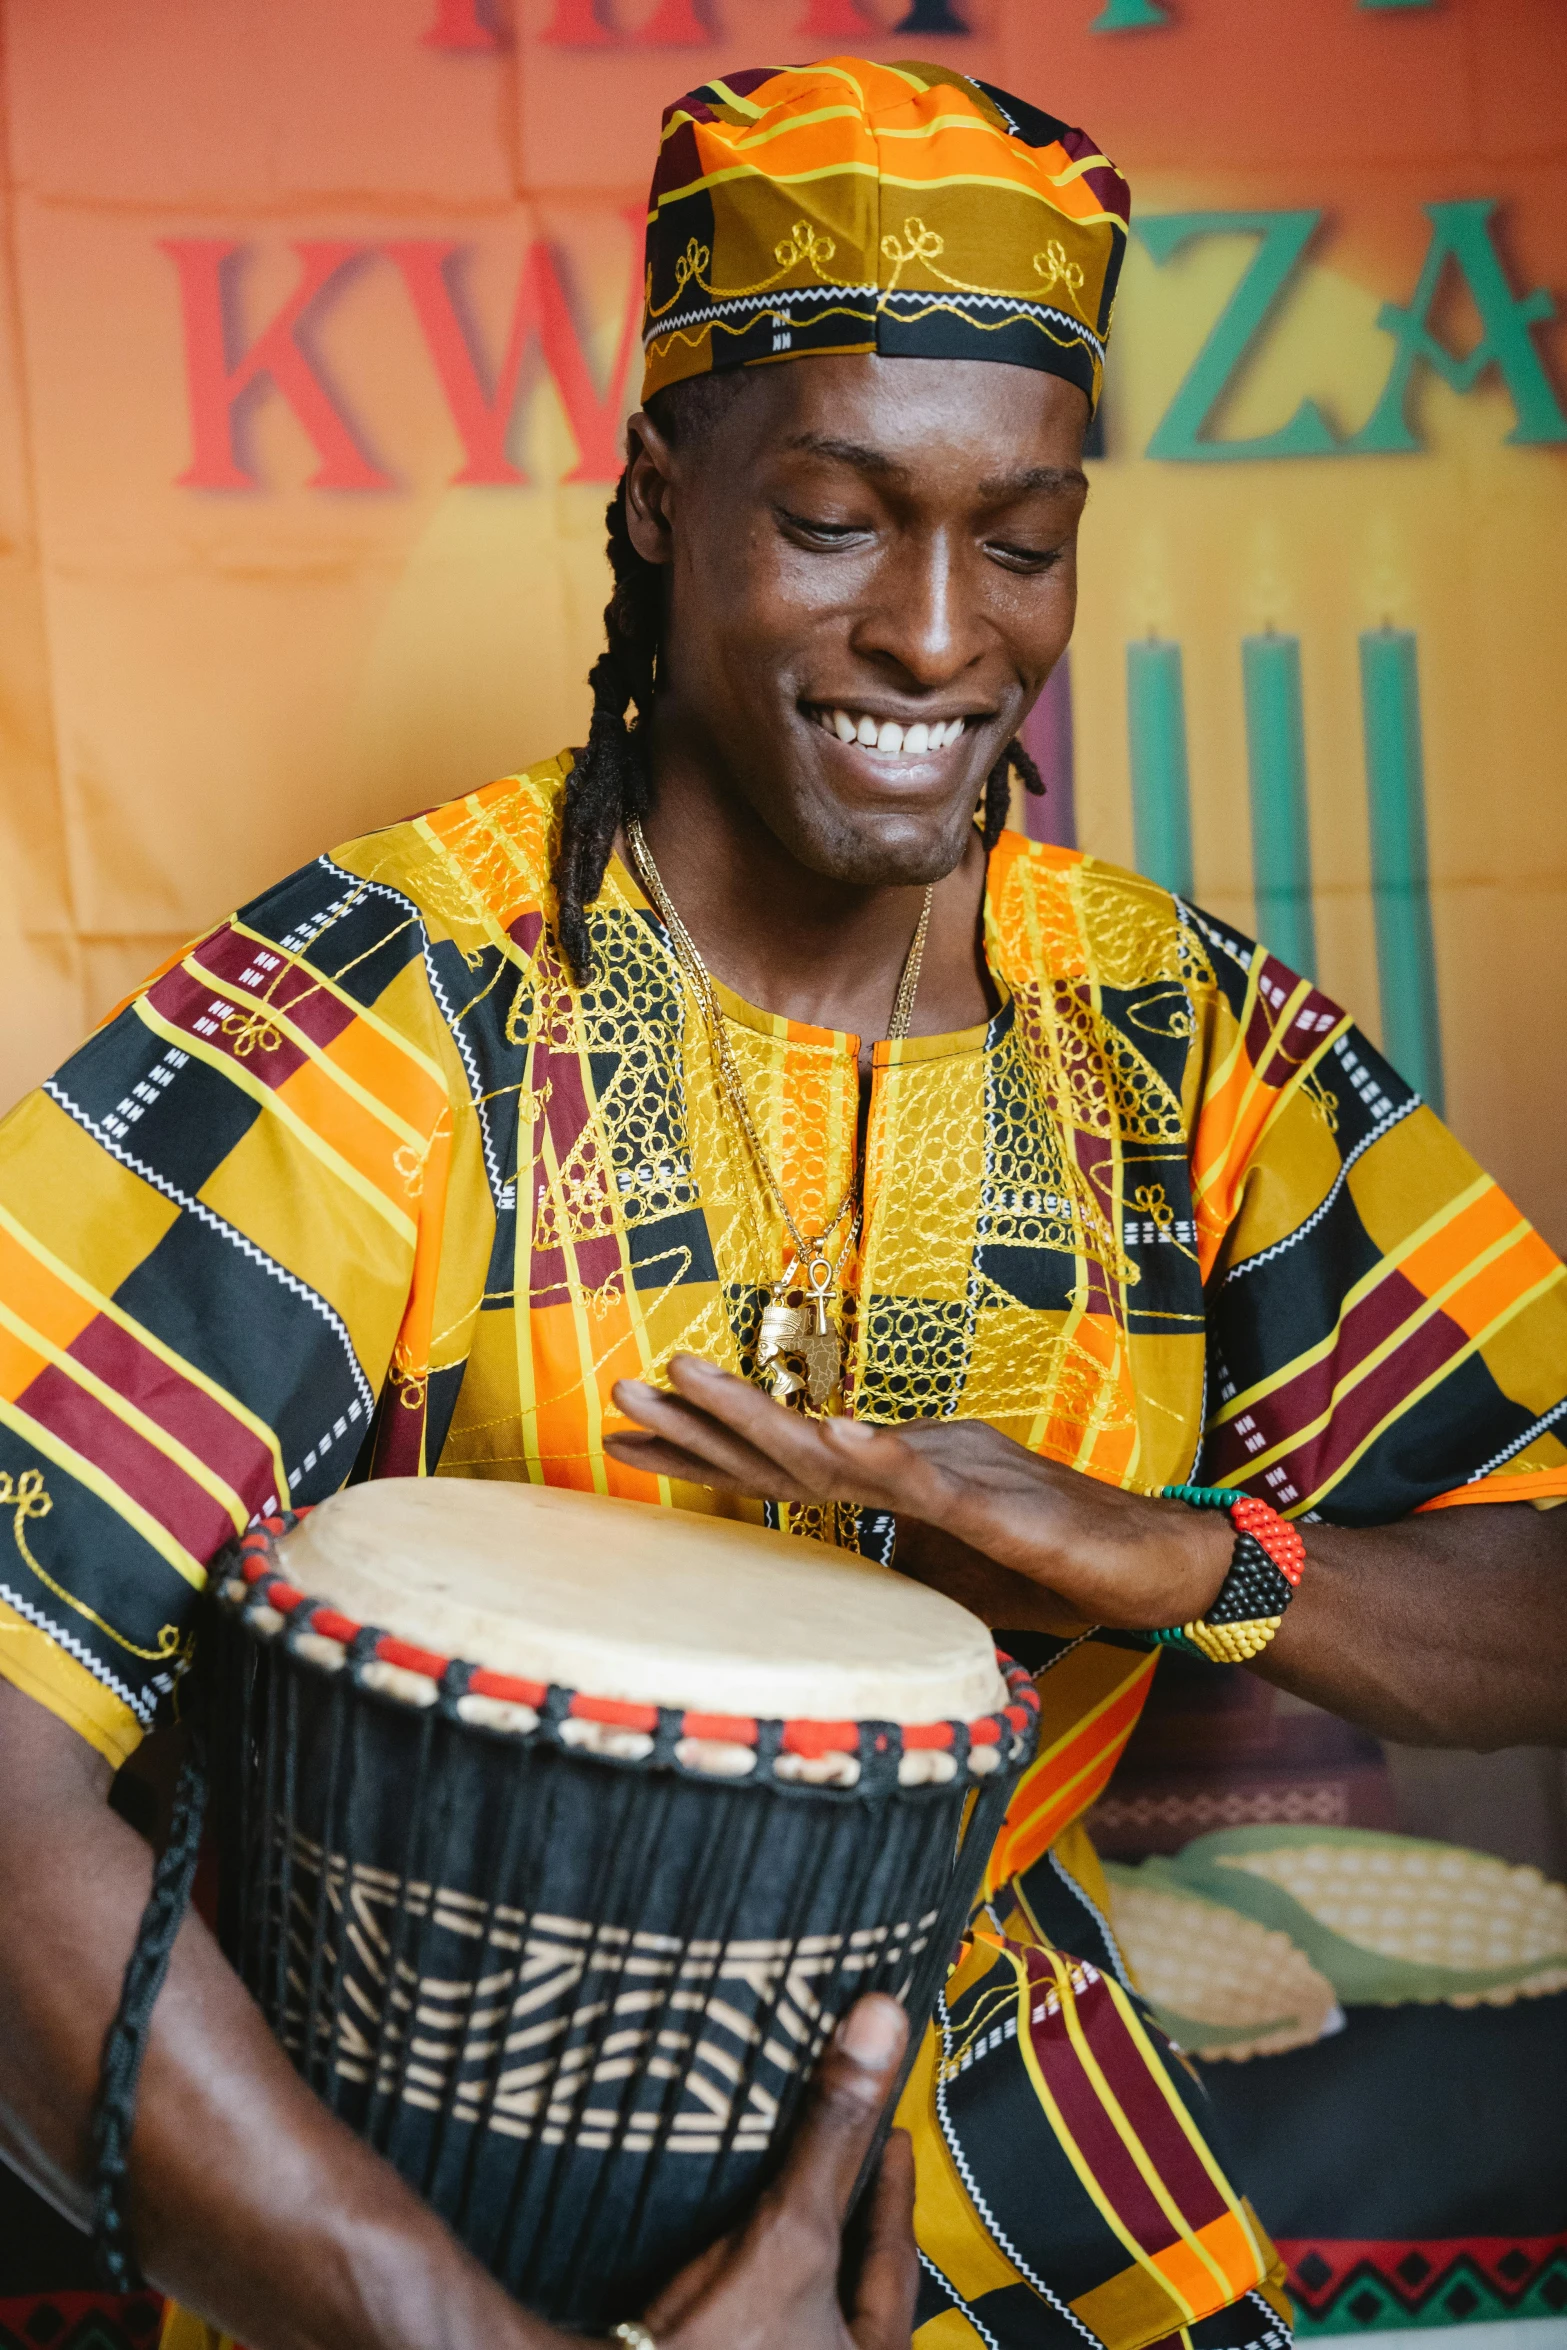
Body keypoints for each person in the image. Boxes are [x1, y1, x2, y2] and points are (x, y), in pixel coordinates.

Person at [0, 49, 1564, 2350]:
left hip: (1024, 2160)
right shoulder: (388, 1014)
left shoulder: (1178, 1039)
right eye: (836, 518)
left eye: (1020, 539)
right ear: (657, 497)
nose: (943, 633)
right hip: (410, 2193)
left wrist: (1167, 1553)